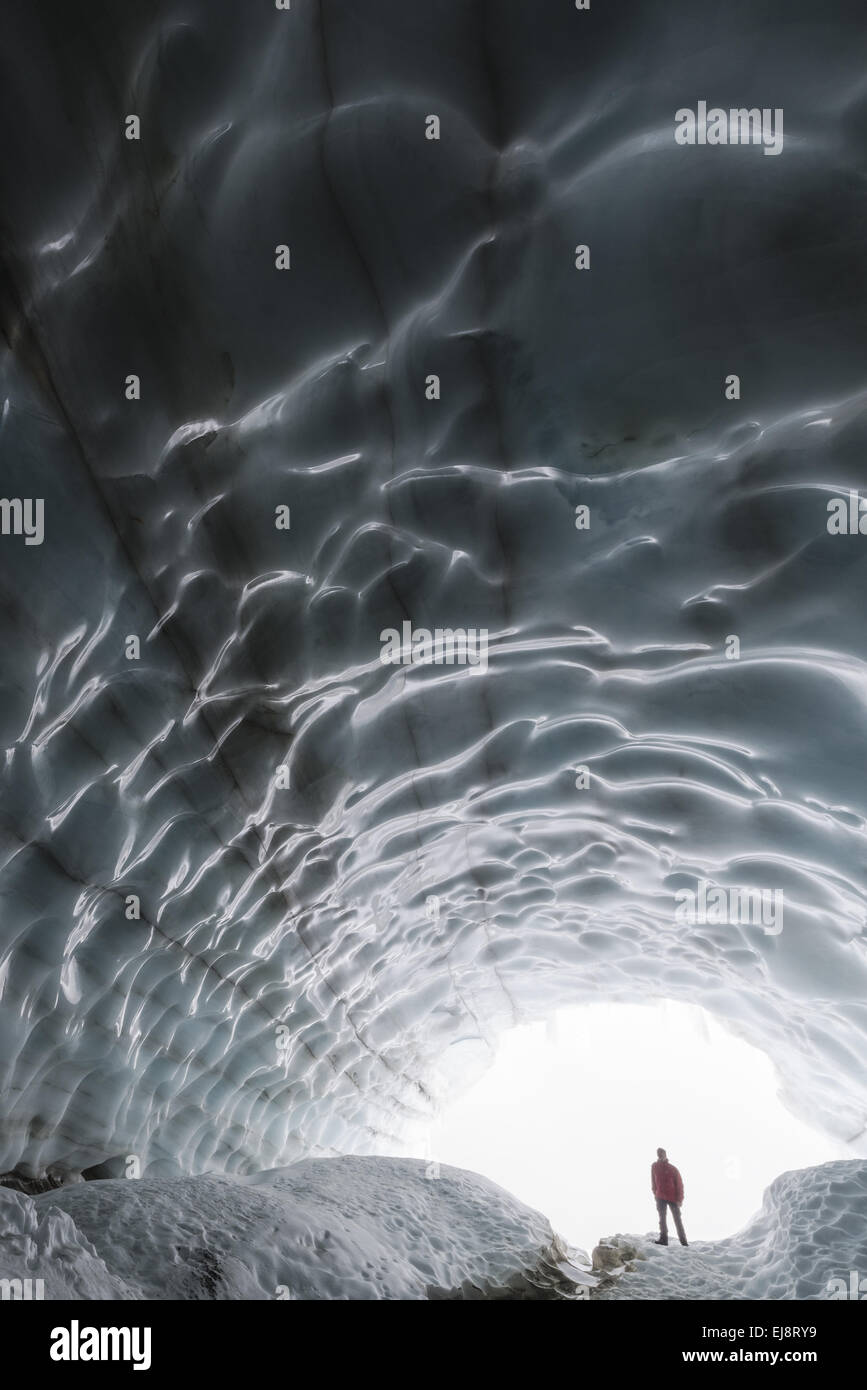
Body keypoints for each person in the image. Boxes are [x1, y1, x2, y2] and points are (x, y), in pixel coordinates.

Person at [651, 1147, 688, 1246]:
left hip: (673, 1198)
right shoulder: (654, 1166)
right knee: (662, 1219)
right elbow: (653, 1181)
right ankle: (663, 1239)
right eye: (659, 1154)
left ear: (665, 1154)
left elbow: (679, 1184)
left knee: (677, 1220)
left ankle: (684, 1242)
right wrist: (655, 1193)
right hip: (660, 1197)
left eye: (662, 1154)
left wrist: (680, 1199)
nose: (660, 1155)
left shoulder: (672, 1169)